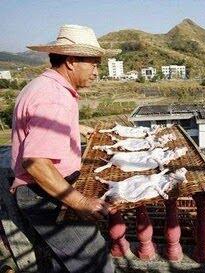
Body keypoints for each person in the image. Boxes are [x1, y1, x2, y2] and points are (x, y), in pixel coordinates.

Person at [10, 24, 121, 273]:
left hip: (48, 189)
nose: (96, 72)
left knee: (67, 264)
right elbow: (36, 162)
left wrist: (73, 127)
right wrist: (80, 201)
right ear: (71, 61)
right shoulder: (55, 97)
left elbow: (35, 124)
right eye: (93, 64)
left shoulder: (43, 85)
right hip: (43, 194)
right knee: (95, 264)